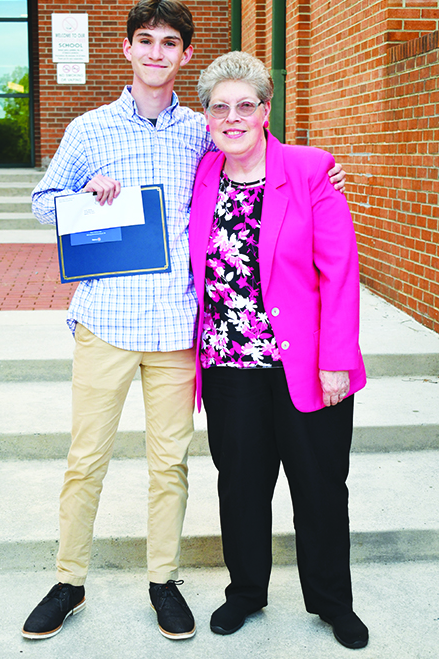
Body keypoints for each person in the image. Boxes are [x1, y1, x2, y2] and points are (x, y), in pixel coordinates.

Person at [21, 0, 346, 642]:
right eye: (145, 40)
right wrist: (80, 198)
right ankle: (68, 580)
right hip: (105, 321)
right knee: (87, 458)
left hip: (176, 331)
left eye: (170, 42)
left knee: (169, 463)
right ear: (127, 49)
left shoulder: (201, 131)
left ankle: (163, 581)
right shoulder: (88, 129)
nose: (156, 52)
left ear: (185, 54)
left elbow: (254, 152)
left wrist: (318, 171)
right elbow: (40, 203)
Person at [189, 51, 368, 650]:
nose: (233, 117)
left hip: (306, 364)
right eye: (220, 107)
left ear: (267, 110)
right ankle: (245, 591)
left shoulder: (312, 169)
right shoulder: (202, 172)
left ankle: (332, 601)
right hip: (228, 366)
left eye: (246, 105)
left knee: (319, 485)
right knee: (239, 484)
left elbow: (340, 269)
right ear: (208, 116)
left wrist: (337, 357)